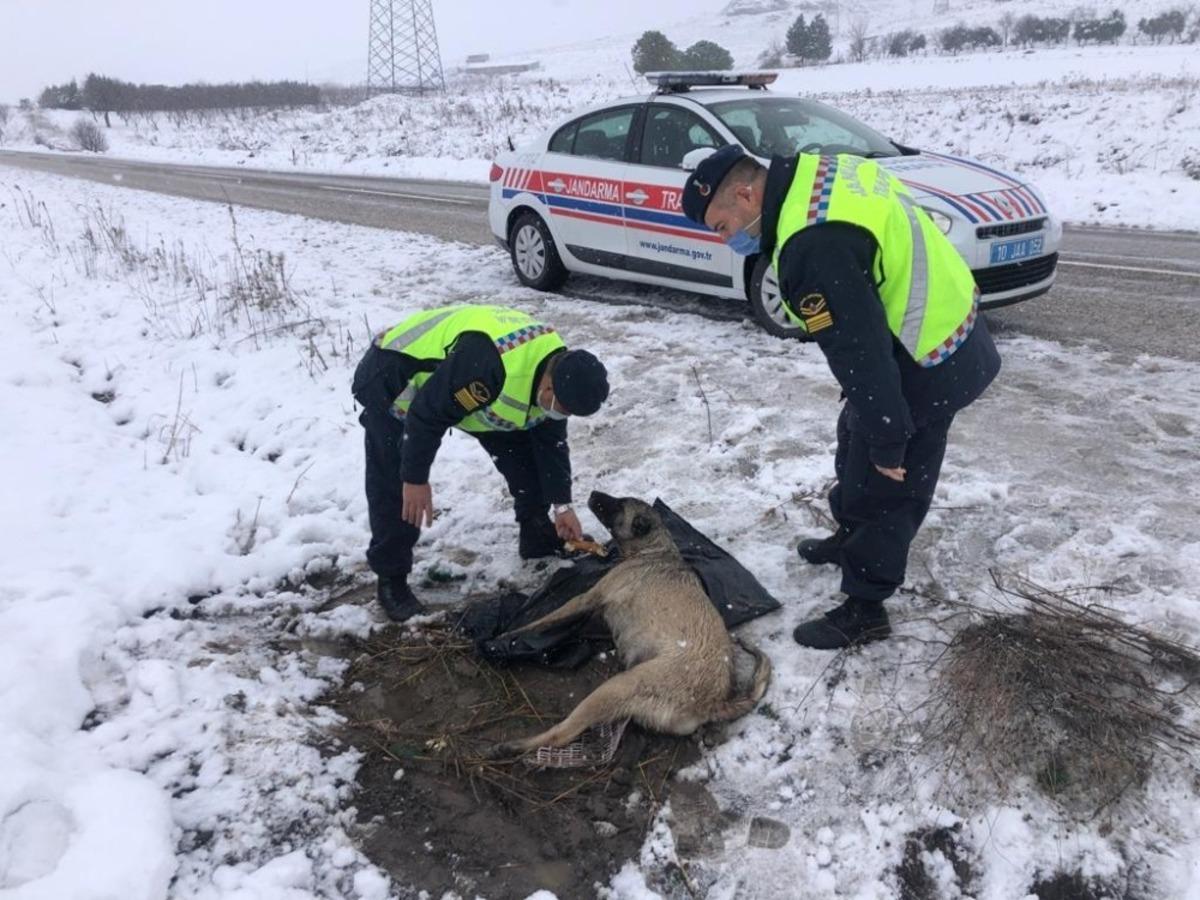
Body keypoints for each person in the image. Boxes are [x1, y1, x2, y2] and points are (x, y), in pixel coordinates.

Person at [682, 144, 1001, 649]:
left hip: (929, 355)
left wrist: (890, 438)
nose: (727, 240)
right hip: (934, 322)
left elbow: (860, 352)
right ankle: (849, 537)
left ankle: (866, 606)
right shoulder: (815, 173)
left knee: (885, 482)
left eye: (722, 227)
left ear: (745, 194)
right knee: (853, 436)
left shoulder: (814, 246)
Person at [351, 304, 610, 622]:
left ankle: (537, 534)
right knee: (398, 489)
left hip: (462, 393)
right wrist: (415, 479)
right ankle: (391, 580)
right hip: (394, 379)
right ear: (549, 386)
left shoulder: (560, 370)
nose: (561, 415)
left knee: (527, 458)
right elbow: (426, 414)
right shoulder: (489, 366)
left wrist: (562, 505)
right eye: (563, 408)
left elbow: (551, 444)